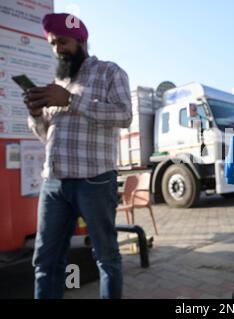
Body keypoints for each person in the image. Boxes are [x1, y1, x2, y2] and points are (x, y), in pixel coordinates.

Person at [24, 13, 132, 299]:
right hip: (55, 184)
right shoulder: (58, 82)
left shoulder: (110, 72)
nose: (57, 48)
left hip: (94, 181)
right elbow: (46, 135)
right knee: (45, 262)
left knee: (106, 258)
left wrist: (71, 101)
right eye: (52, 43)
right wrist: (36, 114)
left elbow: (124, 115)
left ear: (81, 41)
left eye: (63, 41)